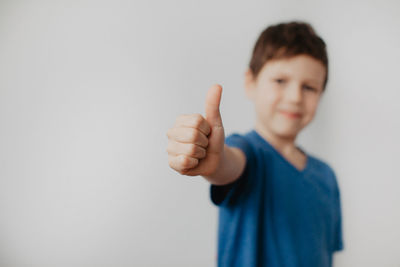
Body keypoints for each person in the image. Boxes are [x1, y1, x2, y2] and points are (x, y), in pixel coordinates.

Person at [166, 21, 344, 267]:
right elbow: (228, 165)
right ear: (251, 82)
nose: (294, 97)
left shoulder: (327, 177)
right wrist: (213, 163)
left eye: (309, 87)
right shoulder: (245, 152)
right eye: (280, 80)